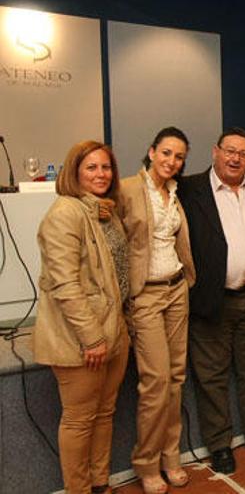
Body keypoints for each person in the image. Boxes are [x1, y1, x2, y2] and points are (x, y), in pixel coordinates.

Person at [177, 127, 245, 475]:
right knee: (212, 377)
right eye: (230, 151)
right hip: (211, 300)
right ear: (215, 151)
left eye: (243, 153)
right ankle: (220, 445)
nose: (235, 158)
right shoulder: (190, 189)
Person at [34, 141, 129, 494]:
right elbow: (65, 285)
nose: (101, 174)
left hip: (115, 330)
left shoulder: (104, 211)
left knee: (105, 414)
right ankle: (79, 489)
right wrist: (92, 337)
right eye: (91, 168)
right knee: (79, 420)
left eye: (106, 167)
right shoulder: (65, 214)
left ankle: (99, 483)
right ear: (73, 172)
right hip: (84, 340)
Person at [118, 127, 196, 493]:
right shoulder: (128, 189)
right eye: (166, 153)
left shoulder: (175, 193)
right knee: (156, 382)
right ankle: (146, 462)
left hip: (176, 289)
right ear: (151, 152)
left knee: (176, 379)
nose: (171, 162)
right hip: (145, 296)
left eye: (178, 157)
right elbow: (114, 243)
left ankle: (171, 455)